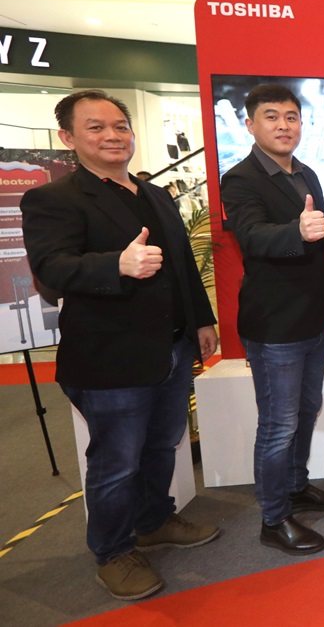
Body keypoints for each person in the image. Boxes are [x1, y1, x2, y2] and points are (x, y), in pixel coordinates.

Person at [21, 90, 220, 600]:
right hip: (111, 358)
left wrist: (201, 320)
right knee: (116, 462)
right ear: (68, 138)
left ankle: (154, 521)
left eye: (120, 126)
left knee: (162, 444)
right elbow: (50, 269)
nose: (113, 135)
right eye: (96, 127)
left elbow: (181, 265)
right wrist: (116, 264)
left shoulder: (154, 193)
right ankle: (111, 552)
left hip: (172, 350)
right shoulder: (53, 199)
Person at [219, 84, 324, 557]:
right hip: (274, 326)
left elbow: (321, 251)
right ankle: (273, 518)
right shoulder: (240, 178)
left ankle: (296, 486)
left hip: (313, 319)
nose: (283, 125)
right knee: (278, 424)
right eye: (271, 117)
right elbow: (252, 237)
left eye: (291, 117)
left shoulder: (307, 173)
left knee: (305, 411)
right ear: (250, 125)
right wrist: (295, 230)